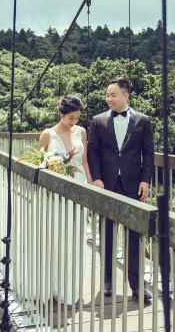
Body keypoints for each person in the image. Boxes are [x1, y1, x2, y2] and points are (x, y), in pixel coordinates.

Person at [87, 78, 154, 305]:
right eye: (107, 95)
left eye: (113, 95)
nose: (108, 99)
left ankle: (137, 286)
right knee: (106, 234)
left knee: (134, 236)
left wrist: (146, 180)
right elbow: (92, 152)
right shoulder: (97, 121)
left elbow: (149, 153)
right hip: (106, 184)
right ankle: (107, 282)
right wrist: (96, 178)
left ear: (126, 96)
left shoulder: (143, 121)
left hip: (133, 184)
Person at [37, 94, 91, 306]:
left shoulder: (82, 132)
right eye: (71, 118)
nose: (74, 122)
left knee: (76, 240)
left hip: (79, 189)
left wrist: (90, 184)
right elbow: (38, 163)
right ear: (61, 114)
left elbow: (84, 161)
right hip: (56, 194)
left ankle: (70, 289)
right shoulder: (47, 135)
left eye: (77, 118)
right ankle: (51, 286)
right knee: (56, 238)